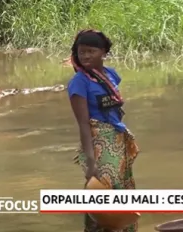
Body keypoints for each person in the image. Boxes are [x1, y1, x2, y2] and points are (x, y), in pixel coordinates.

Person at [67, 29, 139, 232]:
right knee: (103, 193)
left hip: (117, 138)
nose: (86, 56)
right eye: (82, 52)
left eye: (91, 51)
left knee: (123, 189)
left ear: (104, 52)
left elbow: (116, 106)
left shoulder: (110, 75)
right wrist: (91, 162)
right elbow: (83, 123)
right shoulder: (79, 83)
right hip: (99, 142)